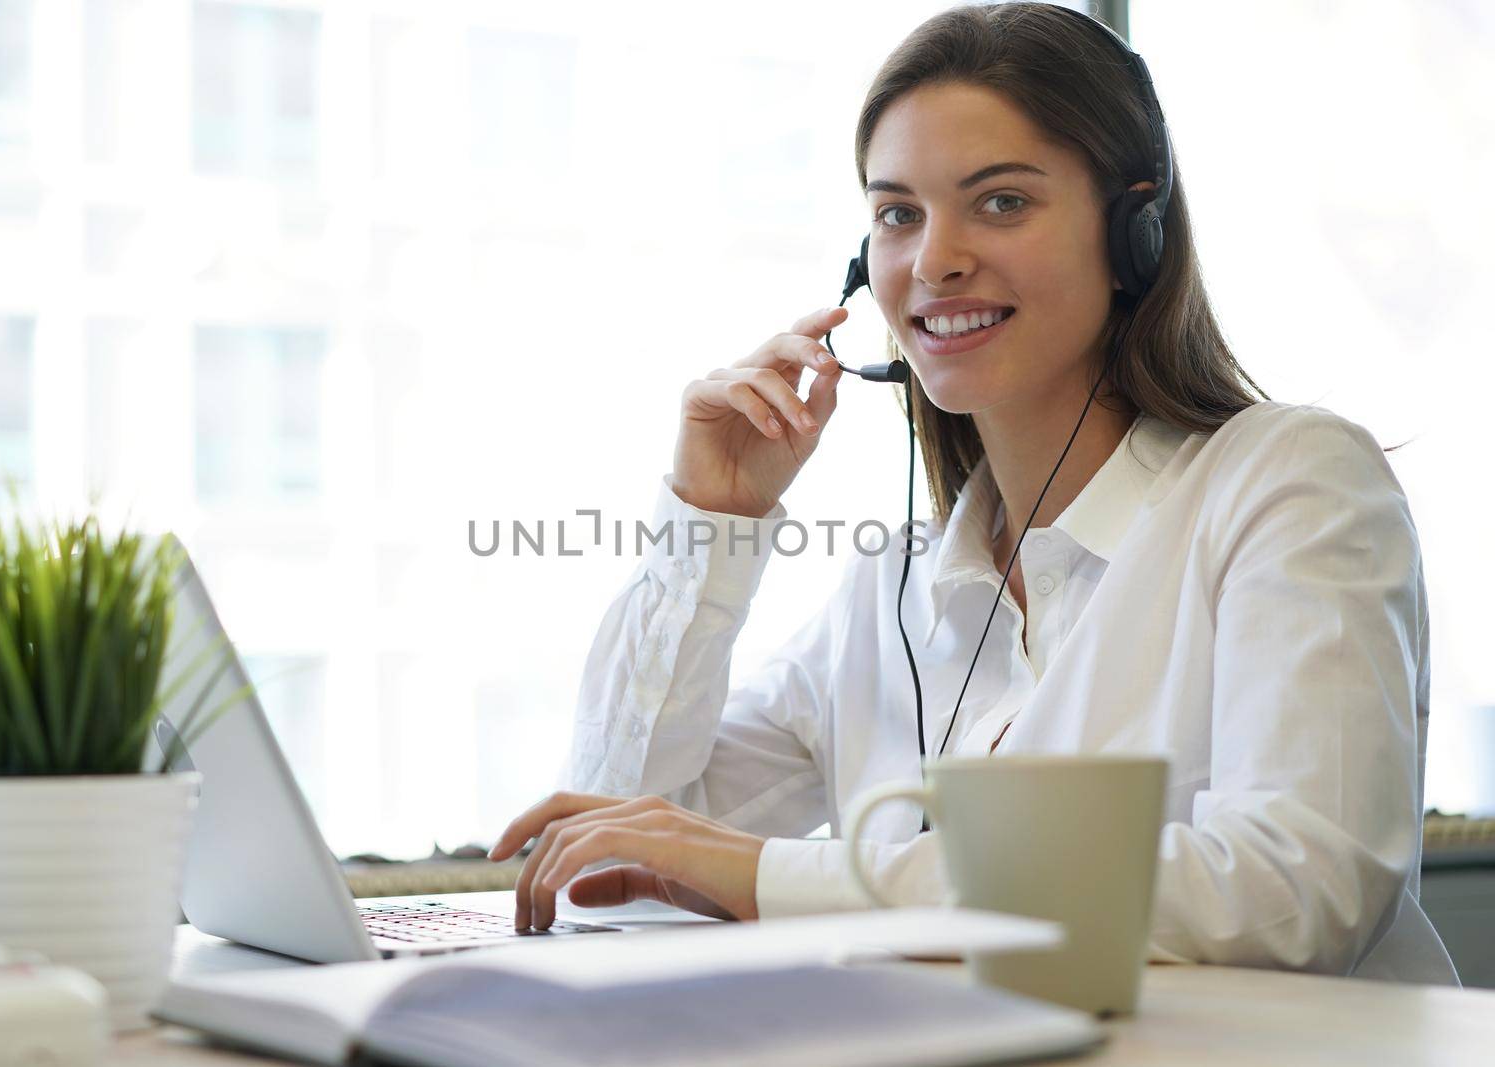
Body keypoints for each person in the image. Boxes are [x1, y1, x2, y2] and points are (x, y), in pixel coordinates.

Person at [488, 1, 1458, 984]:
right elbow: (607, 847)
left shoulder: (1291, 484)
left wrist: (787, 875)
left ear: (1136, 233)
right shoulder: (896, 589)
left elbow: (1296, 885)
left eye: (1000, 201)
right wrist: (711, 521)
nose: (933, 260)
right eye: (897, 213)